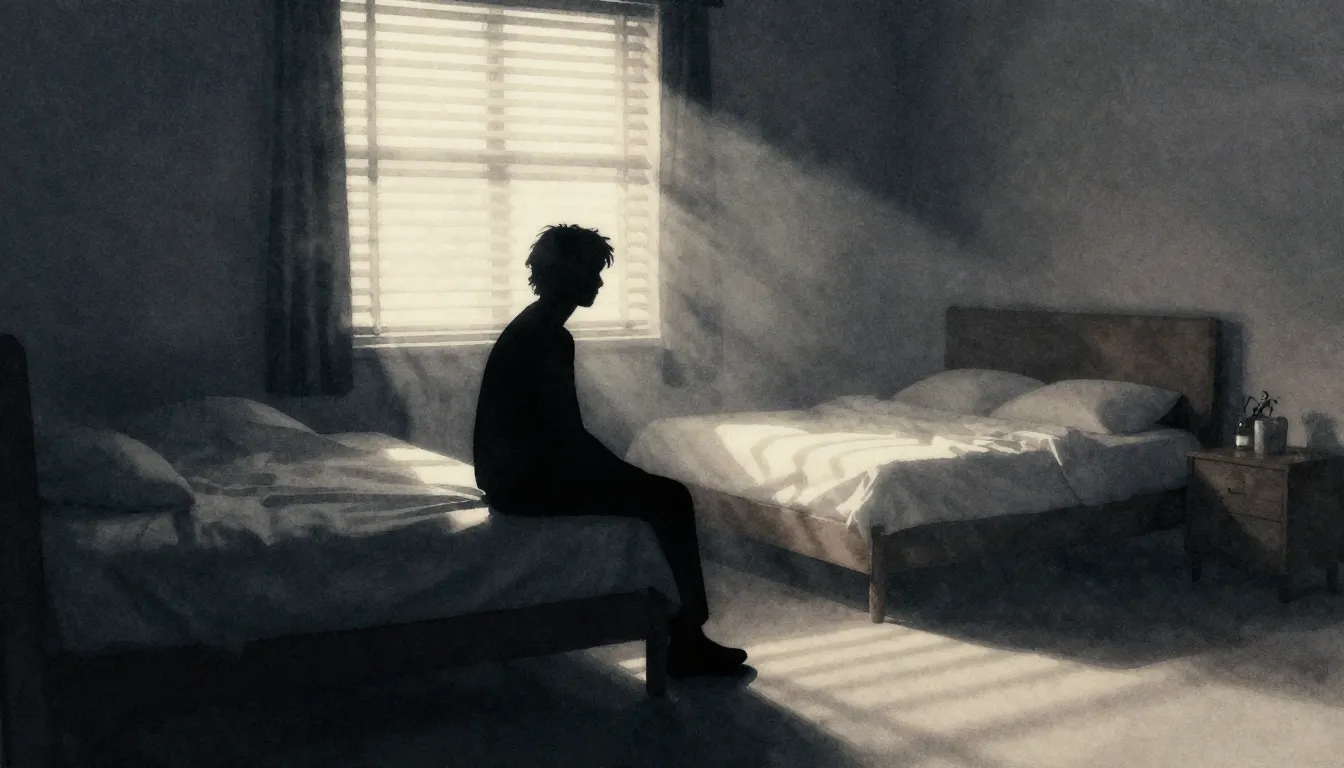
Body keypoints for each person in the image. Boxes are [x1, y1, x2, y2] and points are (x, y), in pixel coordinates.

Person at [473, 223, 748, 679]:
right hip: (524, 482)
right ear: (567, 274)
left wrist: (619, 474)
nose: (599, 282)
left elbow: (560, 434)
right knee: (672, 499)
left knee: (659, 493)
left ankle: (685, 635)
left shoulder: (534, 325)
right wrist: (623, 475)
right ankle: (687, 640)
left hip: (515, 474)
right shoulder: (547, 336)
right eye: (592, 272)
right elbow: (566, 435)